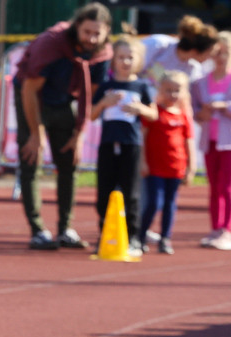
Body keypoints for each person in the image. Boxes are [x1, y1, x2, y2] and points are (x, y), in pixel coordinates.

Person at [13, 2, 113, 250]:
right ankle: (37, 230)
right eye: (87, 31)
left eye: (97, 33)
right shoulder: (53, 44)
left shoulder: (103, 54)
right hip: (33, 97)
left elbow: (88, 96)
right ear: (77, 26)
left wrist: (79, 134)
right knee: (31, 158)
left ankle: (65, 228)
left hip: (66, 100)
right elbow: (29, 88)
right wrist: (36, 133)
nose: (91, 38)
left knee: (70, 161)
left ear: (106, 32)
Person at [90, 36, 156, 255]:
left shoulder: (141, 86)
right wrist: (103, 103)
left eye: (130, 57)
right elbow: (91, 115)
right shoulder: (107, 87)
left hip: (131, 144)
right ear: (113, 60)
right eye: (121, 57)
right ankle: (105, 234)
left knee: (131, 192)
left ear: (138, 60)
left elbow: (153, 113)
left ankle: (134, 237)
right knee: (105, 191)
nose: (125, 62)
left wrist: (140, 109)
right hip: (108, 144)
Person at [190, 31, 231, 251]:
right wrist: (201, 114)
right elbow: (194, 108)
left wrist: (225, 107)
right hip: (210, 141)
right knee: (214, 187)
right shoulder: (200, 83)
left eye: (226, 53)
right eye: (217, 53)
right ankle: (215, 228)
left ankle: (227, 230)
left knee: (227, 186)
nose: (221, 58)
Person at [138, 71, 195, 255]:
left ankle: (165, 238)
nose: (172, 95)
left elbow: (189, 142)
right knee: (154, 203)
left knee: (170, 204)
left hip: (176, 167)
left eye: (177, 90)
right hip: (155, 167)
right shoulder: (154, 112)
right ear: (160, 90)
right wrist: (143, 162)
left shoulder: (183, 116)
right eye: (168, 90)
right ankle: (140, 236)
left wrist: (191, 167)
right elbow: (143, 138)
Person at [141, 15, 218, 93]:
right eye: (210, 52)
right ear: (195, 51)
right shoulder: (158, 44)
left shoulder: (193, 69)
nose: (211, 57)